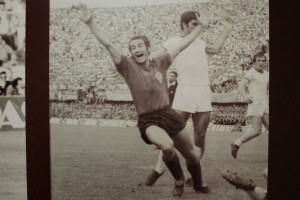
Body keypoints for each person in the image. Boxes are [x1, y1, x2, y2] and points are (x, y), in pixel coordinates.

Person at [73, 3, 210, 196]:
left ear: (148, 48)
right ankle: (179, 180)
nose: (136, 49)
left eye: (139, 46)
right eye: (132, 47)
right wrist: (90, 22)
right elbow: (108, 44)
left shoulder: (160, 61)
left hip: (168, 114)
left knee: (192, 156)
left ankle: (197, 184)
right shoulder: (127, 66)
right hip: (149, 119)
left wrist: (200, 27)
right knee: (167, 147)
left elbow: (182, 45)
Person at [145, 11, 233, 188]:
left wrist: (227, 29)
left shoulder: (200, 42)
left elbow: (215, 49)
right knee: (171, 133)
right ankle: (159, 168)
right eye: (195, 23)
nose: (198, 27)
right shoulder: (172, 42)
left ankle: (194, 175)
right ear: (184, 25)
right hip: (185, 90)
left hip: (204, 92)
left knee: (200, 137)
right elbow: (154, 58)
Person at [231, 52, 269, 159]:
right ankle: (236, 144)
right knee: (257, 130)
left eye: (263, 61)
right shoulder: (251, 72)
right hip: (255, 103)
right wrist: (245, 96)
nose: (261, 63)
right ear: (254, 62)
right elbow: (241, 86)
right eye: (259, 61)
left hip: (264, 104)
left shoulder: (267, 74)